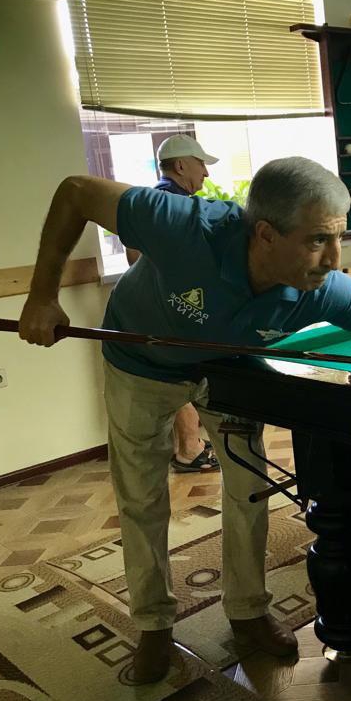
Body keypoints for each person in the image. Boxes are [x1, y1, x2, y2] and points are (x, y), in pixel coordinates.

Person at [17, 157, 351, 685]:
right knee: (141, 499)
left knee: (249, 488)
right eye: (318, 240)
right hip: (140, 363)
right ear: (266, 234)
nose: (334, 259)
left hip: (227, 369)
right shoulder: (184, 226)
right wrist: (42, 295)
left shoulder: (325, 287)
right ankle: (153, 625)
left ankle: (248, 613)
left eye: (338, 237)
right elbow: (76, 190)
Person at [126, 134, 222, 473]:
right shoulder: (179, 206)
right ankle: (190, 450)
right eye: (201, 165)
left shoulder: (148, 201)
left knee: (176, 377)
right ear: (181, 166)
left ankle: (188, 447)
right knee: (186, 379)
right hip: (178, 311)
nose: (206, 173)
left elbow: (133, 256)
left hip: (154, 309)